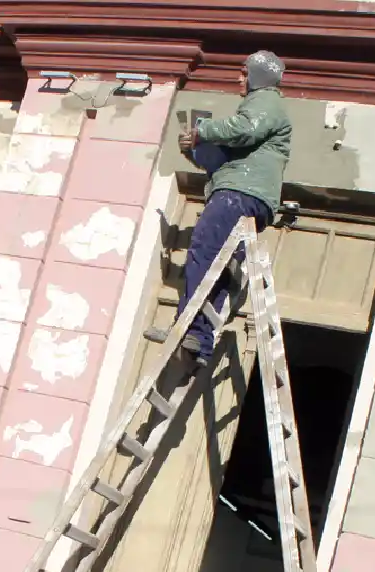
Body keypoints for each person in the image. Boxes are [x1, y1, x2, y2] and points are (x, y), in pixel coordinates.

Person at [150, 50, 292, 368]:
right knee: (220, 268)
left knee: (202, 253)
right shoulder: (262, 115)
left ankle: (187, 327)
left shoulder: (266, 100)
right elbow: (228, 158)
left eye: (243, 73)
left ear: (258, 76)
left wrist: (203, 131)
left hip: (239, 194)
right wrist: (197, 151)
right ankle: (200, 341)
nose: (238, 78)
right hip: (246, 193)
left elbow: (245, 128)